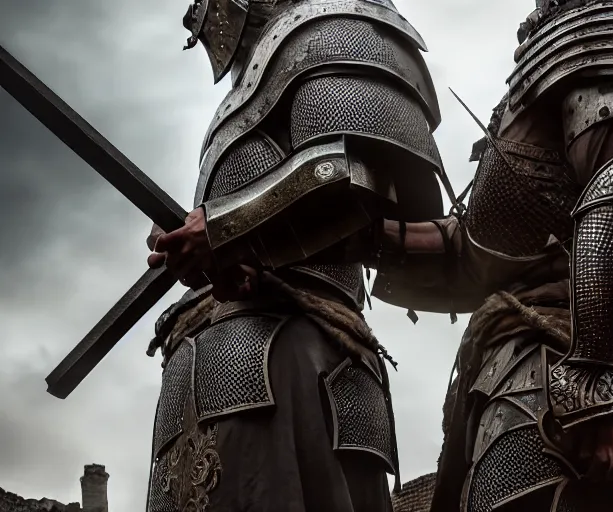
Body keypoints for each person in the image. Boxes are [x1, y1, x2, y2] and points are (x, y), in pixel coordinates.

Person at [153, 0, 613, 510]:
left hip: (569, 384)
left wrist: (601, 402)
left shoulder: (612, 18)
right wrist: (271, 242)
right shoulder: (547, 51)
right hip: (518, 379)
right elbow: (476, 252)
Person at [143, 0, 445, 510]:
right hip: (213, 363)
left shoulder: (330, 27)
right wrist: (192, 238)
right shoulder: (246, 91)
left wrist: (218, 227)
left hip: (294, 360)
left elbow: (347, 175)